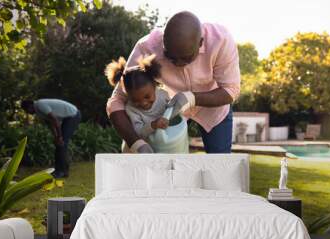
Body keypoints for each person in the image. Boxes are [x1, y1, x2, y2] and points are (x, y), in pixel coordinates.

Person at [106, 11, 240, 154]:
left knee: (219, 163)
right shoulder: (147, 48)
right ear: (163, 41)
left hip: (213, 109)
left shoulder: (221, 40)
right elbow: (116, 101)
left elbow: (231, 90)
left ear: (200, 43)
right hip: (169, 109)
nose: (178, 64)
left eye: (186, 58)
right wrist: (136, 143)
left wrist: (191, 98)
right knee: (168, 167)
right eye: (170, 57)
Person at [105, 54, 171, 151]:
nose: (143, 103)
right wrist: (153, 125)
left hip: (160, 145)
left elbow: (172, 110)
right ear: (127, 95)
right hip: (138, 150)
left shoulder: (163, 95)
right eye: (135, 100)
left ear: (154, 85)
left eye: (147, 97)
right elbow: (138, 132)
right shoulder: (131, 109)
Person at [21, 99, 81, 178]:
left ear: (30, 106)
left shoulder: (40, 105)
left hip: (73, 115)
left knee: (62, 143)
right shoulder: (39, 111)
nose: (28, 113)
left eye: (26, 110)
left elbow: (55, 120)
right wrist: (56, 137)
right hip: (69, 117)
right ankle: (62, 171)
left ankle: (61, 171)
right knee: (59, 144)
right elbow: (50, 124)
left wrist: (59, 137)